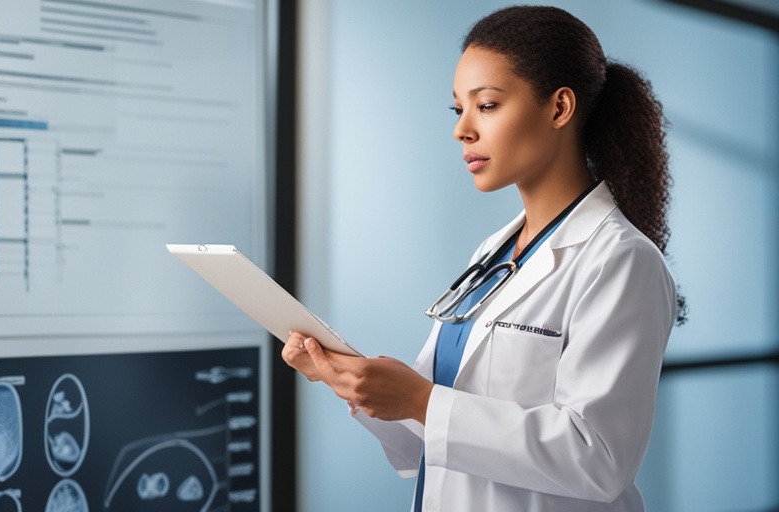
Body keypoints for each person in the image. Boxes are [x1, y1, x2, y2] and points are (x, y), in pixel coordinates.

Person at [282, 5, 682, 511]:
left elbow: (599, 458)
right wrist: (355, 383)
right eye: (458, 110)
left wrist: (421, 400)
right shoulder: (493, 254)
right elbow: (425, 442)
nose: (462, 130)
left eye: (486, 105)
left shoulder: (622, 261)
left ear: (559, 108)